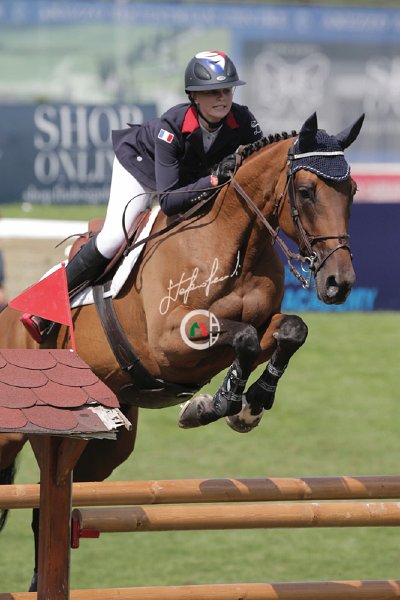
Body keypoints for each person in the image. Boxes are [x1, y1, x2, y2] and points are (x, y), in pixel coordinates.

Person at [21, 50, 263, 343]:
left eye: (227, 90)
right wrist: (213, 179)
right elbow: (169, 201)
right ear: (194, 96)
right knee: (114, 236)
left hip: (189, 178)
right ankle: (45, 307)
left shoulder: (243, 120)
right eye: (213, 91)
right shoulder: (170, 128)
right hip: (141, 166)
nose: (222, 98)